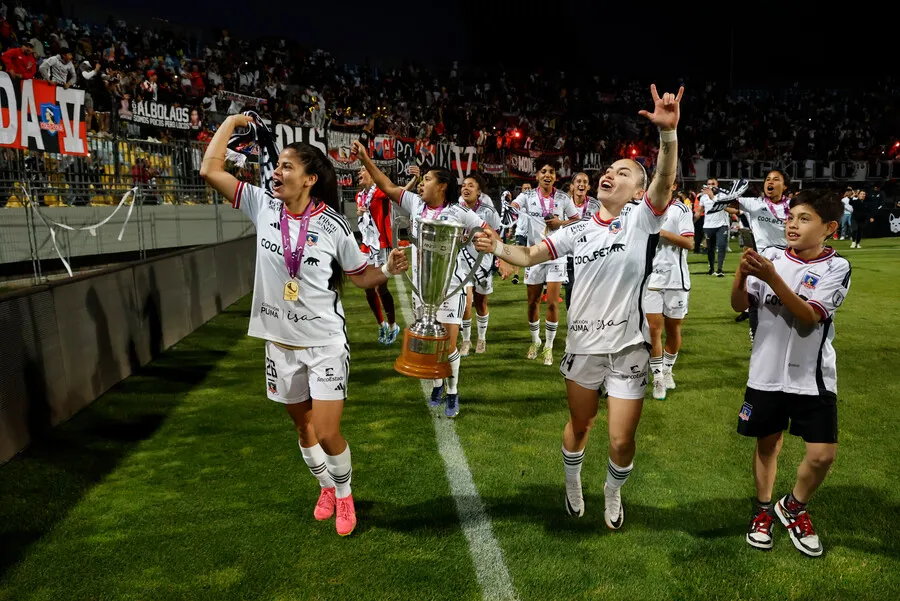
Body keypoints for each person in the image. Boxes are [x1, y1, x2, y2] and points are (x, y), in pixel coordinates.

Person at [476, 84, 683, 529]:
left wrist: (668, 135)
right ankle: (573, 481)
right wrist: (498, 245)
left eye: (623, 173)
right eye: (609, 169)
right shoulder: (578, 230)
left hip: (628, 347)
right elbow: (529, 256)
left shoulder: (642, 220)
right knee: (582, 425)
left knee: (622, 439)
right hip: (584, 347)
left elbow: (664, 181)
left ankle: (612, 492)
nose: (611, 174)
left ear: (636, 192)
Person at [200, 114, 409, 537]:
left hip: (325, 342)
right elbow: (209, 169)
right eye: (277, 167)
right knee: (303, 428)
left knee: (328, 430)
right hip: (279, 343)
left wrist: (387, 269)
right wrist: (232, 121)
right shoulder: (262, 205)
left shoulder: (333, 224)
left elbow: (360, 276)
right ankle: (325, 487)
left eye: (287, 167)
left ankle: (345, 495)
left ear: (310, 179)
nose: (276, 172)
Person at [731, 189, 849, 558]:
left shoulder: (836, 267)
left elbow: (809, 316)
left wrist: (770, 277)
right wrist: (741, 273)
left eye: (804, 219)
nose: (792, 224)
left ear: (829, 227)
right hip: (765, 373)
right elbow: (739, 303)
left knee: (822, 455)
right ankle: (764, 509)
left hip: (812, 376)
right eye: (791, 217)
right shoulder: (769, 256)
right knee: (768, 444)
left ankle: (793, 506)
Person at [353, 140, 490, 418]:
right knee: (430, 342)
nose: (420, 184)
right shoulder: (415, 204)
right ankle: (438, 385)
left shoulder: (460, 212)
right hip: (421, 289)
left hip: (450, 289)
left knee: (449, 347)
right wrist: (367, 161)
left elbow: (488, 232)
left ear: (441, 186)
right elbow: (388, 186)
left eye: (426, 179)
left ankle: (452, 392)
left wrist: (494, 250)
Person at [506, 158, 579, 365]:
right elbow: (513, 208)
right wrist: (509, 201)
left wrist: (560, 222)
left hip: (557, 255)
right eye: (544, 171)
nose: (548, 175)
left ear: (556, 176)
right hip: (534, 256)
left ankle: (548, 346)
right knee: (532, 303)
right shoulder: (527, 196)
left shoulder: (564, 198)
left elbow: (576, 221)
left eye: (552, 172)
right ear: (537, 175)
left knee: (553, 304)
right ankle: (535, 341)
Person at [645, 188, 695, 400]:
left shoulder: (681, 209)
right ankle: (657, 378)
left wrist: (661, 233)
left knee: (673, 330)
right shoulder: (644, 210)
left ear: (673, 185)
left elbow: (689, 243)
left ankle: (667, 369)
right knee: (654, 331)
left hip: (676, 279)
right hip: (652, 280)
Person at [458, 173, 501, 356]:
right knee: (466, 303)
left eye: (471, 186)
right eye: (463, 185)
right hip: (462, 261)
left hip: (483, 262)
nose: (466, 188)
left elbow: (497, 236)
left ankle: (481, 338)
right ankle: (466, 340)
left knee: (481, 303)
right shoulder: (454, 210)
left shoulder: (488, 212)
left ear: (479, 192)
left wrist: (500, 258)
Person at [355, 166, 399, 345]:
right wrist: (358, 213)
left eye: (362, 170)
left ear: (373, 175)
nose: (359, 173)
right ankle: (380, 325)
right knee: (367, 287)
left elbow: (400, 192)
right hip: (366, 246)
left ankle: (392, 325)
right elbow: (362, 217)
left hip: (381, 246)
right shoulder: (359, 196)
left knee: (381, 288)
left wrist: (414, 179)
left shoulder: (381, 192)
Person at [564, 172, 600, 309]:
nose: (582, 184)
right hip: (569, 254)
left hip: (588, 255)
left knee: (589, 291)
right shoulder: (564, 203)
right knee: (570, 289)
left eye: (585, 182)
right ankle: (571, 321)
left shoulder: (596, 205)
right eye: (578, 181)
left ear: (589, 186)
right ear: (572, 186)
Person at [699, 178, 731, 277]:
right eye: (709, 184)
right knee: (710, 248)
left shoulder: (724, 195)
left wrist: (712, 196)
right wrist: (692, 222)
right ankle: (711, 268)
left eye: (713, 184)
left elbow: (724, 206)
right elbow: (699, 211)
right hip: (708, 225)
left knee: (721, 246)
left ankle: (720, 269)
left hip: (722, 225)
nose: (711, 186)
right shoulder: (703, 198)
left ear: (717, 185)